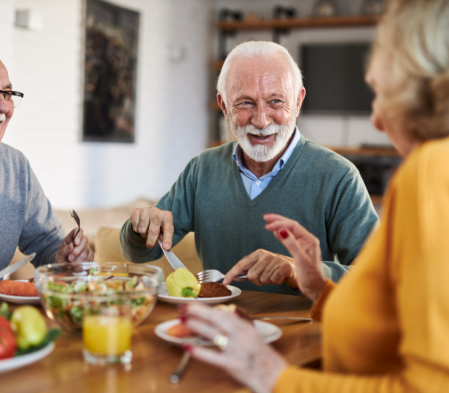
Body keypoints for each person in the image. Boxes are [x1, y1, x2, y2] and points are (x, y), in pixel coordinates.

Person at [180, 0, 449, 393]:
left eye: (379, 91)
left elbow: (432, 391)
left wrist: (268, 373)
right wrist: (317, 286)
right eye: (246, 103)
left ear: (422, 89)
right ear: (225, 106)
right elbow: (394, 324)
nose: (376, 119)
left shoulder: (430, 170)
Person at [120, 41, 378, 295]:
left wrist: (302, 271)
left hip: (300, 332)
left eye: (276, 101)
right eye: (245, 103)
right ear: (224, 106)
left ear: (298, 102)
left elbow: (377, 276)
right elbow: (142, 252)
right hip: (216, 330)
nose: (261, 120)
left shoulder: (338, 176)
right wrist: (140, 227)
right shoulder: (202, 170)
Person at [0, 43, 93, 308]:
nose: (2, 106)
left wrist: (65, 257)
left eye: (7, 93)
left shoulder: (15, 166)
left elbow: (46, 244)